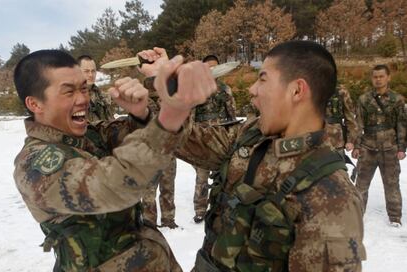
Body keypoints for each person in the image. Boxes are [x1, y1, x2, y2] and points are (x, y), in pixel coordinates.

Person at [151, 41, 365, 271]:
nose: (252, 89)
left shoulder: (332, 195)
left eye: (262, 79)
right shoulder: (250, 134)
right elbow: (183, 139)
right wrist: (167, 81)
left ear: (296, 90)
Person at [12, 49, 216, 271]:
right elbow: (118, 185)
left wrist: (143, 109)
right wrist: (172, 112)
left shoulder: (91, 135)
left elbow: (164, 144)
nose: (83, 99)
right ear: (35, 104)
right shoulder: (35, 166)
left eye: (84, 88)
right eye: (69, 92)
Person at [352, 64, 406, 227]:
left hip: (390, 147)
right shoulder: (364, 100)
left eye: (381, 76)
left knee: (392, 183)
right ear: (372, 78)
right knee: (361, 184)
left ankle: (395, 217)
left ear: (388, 77)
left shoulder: (397, 100)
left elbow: (402, 124)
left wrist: (402, 148)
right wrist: (356, 145)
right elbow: (358, 124)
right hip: (368, 147)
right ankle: (356, 216)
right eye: (375, 77)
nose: (378, 79)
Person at [191, 54, 238, 223]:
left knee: (222, 175)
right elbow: (190, 118)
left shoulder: (225, 89)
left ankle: (219, 207)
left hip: (221, 139)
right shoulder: (196, 90)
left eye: (215, 66)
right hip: (203, 139)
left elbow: (231, 113)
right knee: (201, 177)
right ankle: (200, 209)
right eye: (208, 67)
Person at [142, 65, 178, 229]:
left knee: (168, 187)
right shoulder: (143, 101)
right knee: (149, 190)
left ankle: (168, 220)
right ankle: (149, 222)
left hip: (168, 152)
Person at [77, 55, 115, 122]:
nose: (91, 75)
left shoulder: (103, 96)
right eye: (86, 71)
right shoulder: (71, 99)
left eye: (93, 71)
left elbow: (111, 121)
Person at [325, 85, 358, 153]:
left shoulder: (341, 91)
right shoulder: (309, 89)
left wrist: (351, 140)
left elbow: (350, 117)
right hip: (314, 142)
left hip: (336, 141)